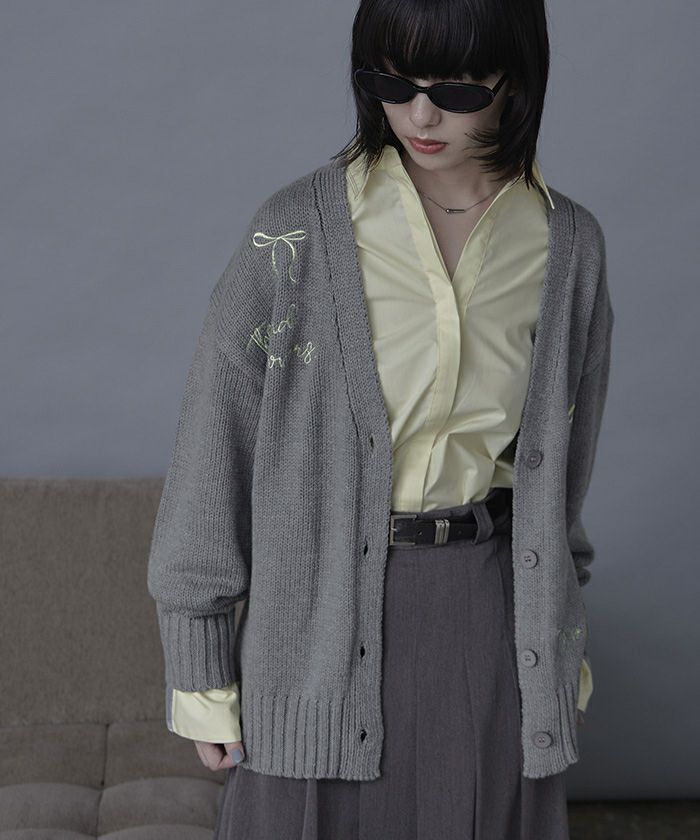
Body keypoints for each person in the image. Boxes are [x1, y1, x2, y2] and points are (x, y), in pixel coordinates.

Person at [147, 0, 613, 837]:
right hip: (311, 631)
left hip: (487, 621)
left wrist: (560, 642)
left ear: (515, 80)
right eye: (394, 84)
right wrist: (200, 668)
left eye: (456, 91)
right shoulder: (294, 235)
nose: (420, 116)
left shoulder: (566, 247)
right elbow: (213, 449)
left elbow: (562, 476)